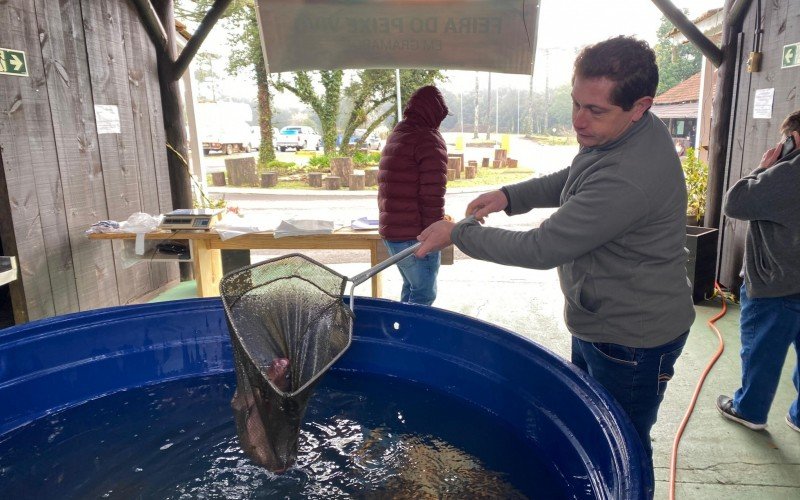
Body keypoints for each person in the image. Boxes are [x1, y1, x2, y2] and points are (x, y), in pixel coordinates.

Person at [415, 36, 695, 488]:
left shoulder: (631, 176)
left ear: (640, 105)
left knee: (624, 445)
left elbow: (541, 249)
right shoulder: (623, 133)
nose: (579, 121)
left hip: (632, 340)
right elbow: (577, 176)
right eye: (575, 104)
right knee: (593, 425)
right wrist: (511, 195)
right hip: (600, 317)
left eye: (595, 110)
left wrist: (459, 234)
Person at [716, 110, 800, 434]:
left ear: (791, 139)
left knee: (762, 354)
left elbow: (735, 202)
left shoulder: (787, 173)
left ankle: (749, 409)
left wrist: (764, 166)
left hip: (775, 286)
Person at [377, 85, 449, 306]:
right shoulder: (428, 140)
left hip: (393, 232)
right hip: (416, 235)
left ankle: (401, 334)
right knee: (423, 294)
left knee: (411, 288)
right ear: (434, 113)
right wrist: (434, 232)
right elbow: (432, 194)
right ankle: (411, 337)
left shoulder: (398, 134)